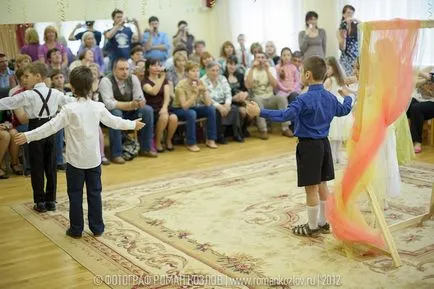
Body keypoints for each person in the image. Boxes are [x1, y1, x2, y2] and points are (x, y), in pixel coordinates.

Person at [14, 66, 145, 238]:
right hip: (93, 161)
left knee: (75, 195)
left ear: (73, 88)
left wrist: (28, 136)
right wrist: (132, 124)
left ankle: (76, 229)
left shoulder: (69, 109)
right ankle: (97, 227)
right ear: (92, 86)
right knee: (95, 194)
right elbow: (115, 122)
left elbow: (50, 127)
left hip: (75, 163)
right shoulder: (98, 107)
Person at [246, 56, 355, 236]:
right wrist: (349, 97)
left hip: (308, 148)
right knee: (322, 185)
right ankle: (323, 222)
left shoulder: (303, 100)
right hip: (324, 145)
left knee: (310, 188)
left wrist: (260, 111)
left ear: (307, 75)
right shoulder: (330, 97)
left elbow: (284, 115)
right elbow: (344, 110)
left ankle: (312, 227)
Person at [0, 62, 75, 212]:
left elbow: (7, 103)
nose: (24, 80)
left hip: (34, 130)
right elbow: (72, 102)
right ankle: (51, 200)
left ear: (38, 76)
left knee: (37, 167)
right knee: (51, 165)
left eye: (28, 76)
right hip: (51, 129)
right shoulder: (55, 93)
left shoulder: (28, 95)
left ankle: (40, 202)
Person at [99, 58, 157, 163]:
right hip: (108, 115)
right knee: (116, 113)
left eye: (127, 69)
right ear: (114, 70)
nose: (125, 72)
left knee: (147, 110)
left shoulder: (133, 78)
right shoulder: (106, 81)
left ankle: (146, 148)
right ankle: (116, 154)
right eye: (121, 69)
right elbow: (110, 105)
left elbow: (140, 98)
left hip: (129, 112)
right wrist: (130, 104)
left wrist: (139, 102)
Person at [244, 52, 292, 139]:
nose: (260, 60)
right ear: (254, 60)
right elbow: (248, 85)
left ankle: (285, 128)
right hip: (257, 97)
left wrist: (267, 70)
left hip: (270, 97)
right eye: (258, 58)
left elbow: (274, 85)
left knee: (282, 98)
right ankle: (263, 130)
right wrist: (252, 68)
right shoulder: (249, 70)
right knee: (257, 101)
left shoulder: (271, 69)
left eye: (262, 57)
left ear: (266, 59)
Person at [172, 61, 217, 152]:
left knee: (211, 109)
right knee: (191, 113)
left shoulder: (200, 82)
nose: (196, 73)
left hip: (192, 108)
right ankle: (191, 143)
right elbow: (184, 106)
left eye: (197, 71)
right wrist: (195, 95)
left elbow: (208, 103)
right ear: (187, 73)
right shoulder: (181, 85)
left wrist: (204, 91)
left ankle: (210, 140)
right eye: (193, 71)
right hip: (178, 109)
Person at [202, 61, 244, 143]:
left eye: (217, 70)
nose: (215, 73)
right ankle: (219, 135)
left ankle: (236, 133)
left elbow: (228, 93)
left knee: (234, 109)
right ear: (207, 70)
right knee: (216, 112)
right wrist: (219, 106)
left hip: (223, 103)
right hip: (209, 104)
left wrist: (227, 104)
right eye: (213, 70)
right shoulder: (202, 81)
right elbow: (207, 98)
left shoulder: (222, 78)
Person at [142, 58, 178, 152]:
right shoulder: (145, 82)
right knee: (164, 117)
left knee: (173, 118)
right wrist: (161, 77)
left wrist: (165, 107)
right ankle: (157, 142)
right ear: (148, 68)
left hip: (163, 107)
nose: (157, 67)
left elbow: (167, 96)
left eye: (158, 65)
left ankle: (168, 140)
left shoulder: (164, 80)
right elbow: (153, 91)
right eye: (153, 65)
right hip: (151, 109)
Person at [324, 57, 354, 164]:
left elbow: (324, 93)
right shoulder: (339, 80)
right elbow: (346, 90)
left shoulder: (330, 80)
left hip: (333, 106)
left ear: (334, 68)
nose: (326, 71)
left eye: (327, 68)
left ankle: (333, 156)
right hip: (340, 105)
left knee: (334, 135)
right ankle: (337, 155)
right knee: (338, 134)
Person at [337, 5, 359, 76]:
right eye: (348, 13)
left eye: (352, 13)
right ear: (343, 14)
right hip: (345, 59)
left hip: (356, 60)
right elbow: (342, 48)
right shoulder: (341, 29)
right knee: (345, 79)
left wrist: (358, 21)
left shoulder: (356, 27)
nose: (350, 15)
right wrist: (344, 38)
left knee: (356, 80)